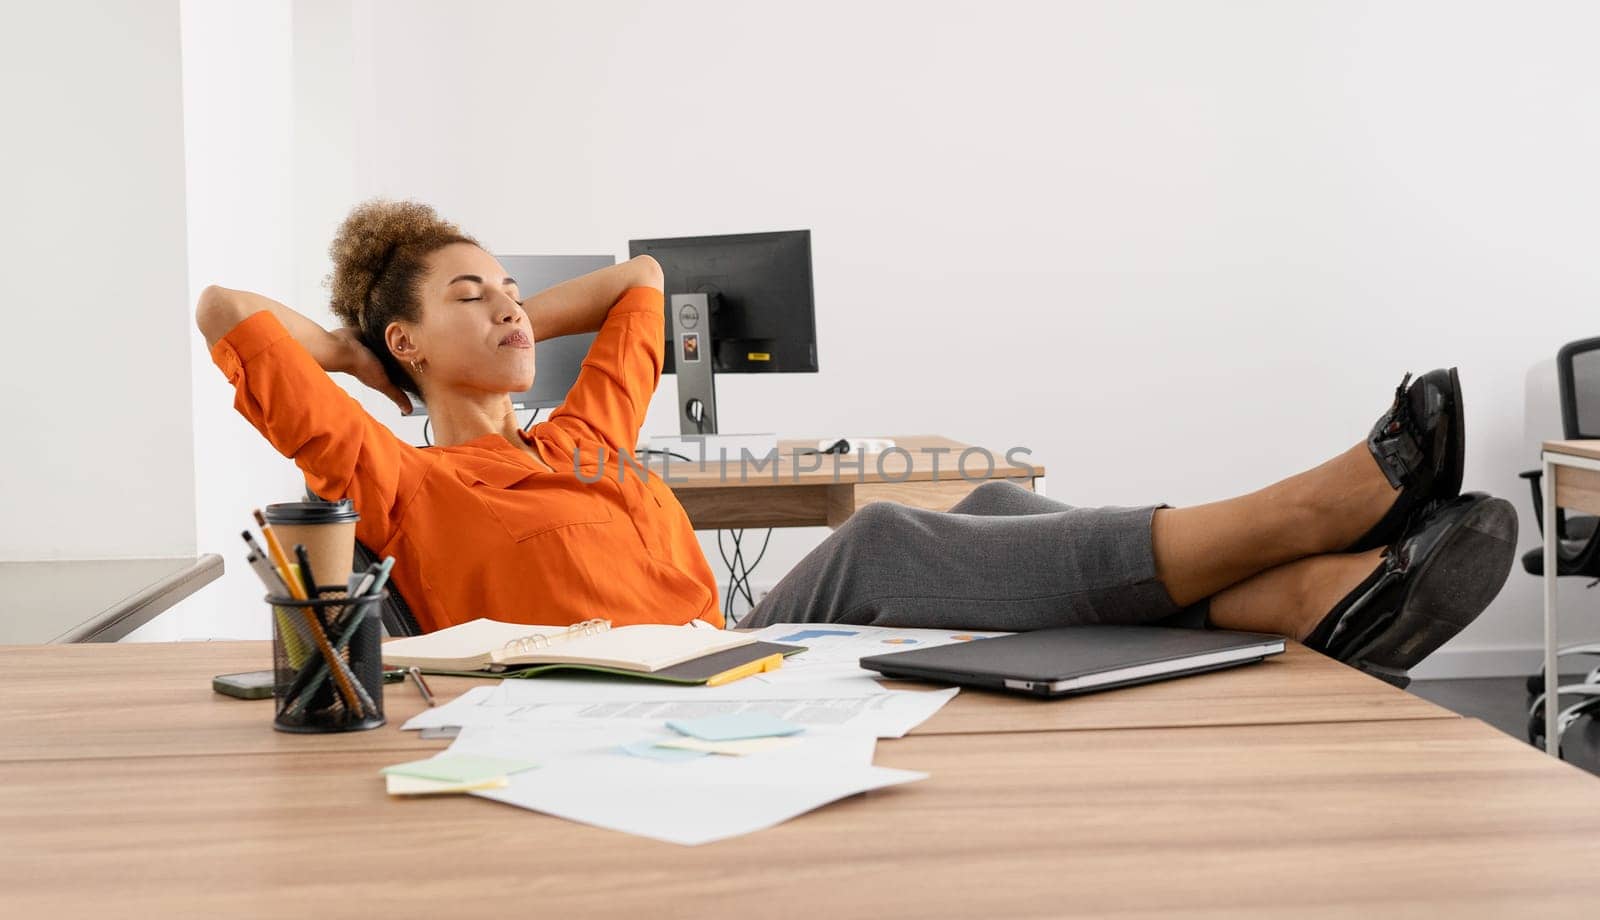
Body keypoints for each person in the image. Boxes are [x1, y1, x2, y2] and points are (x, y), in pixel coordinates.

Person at [197, 199, 1516, 688]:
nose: (503, 307)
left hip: (726, 648)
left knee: (990, 502)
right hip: (631, 693)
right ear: (401, 346)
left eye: (510, 287)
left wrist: (488, 316)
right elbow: (226, 316)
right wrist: (366, 358)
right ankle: (1310, 515)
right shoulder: (393, 474)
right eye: (465, 296)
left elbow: (645, 275)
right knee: (884, 528)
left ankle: (1317, 598)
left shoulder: (586, 426)